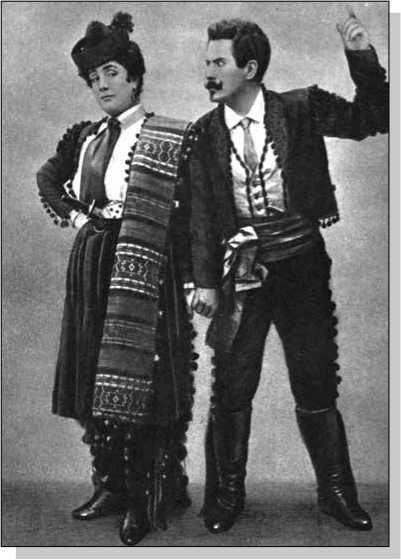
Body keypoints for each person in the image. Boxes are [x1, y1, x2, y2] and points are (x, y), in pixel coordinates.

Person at [189, 7, 388, 535]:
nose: (207, 73)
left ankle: (336, 492)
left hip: (302, 265)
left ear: (250, 69)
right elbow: (202, 215)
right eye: (206, 63)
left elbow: (373, 119)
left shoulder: (301, 109)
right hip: (241, 273)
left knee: (315, 379)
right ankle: (226, 495)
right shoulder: (202, 134)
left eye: (218, 63)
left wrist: (361, 57)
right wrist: (205, 282)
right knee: (232, 385)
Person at [36, 12, 197, 546]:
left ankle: (149, 494)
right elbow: (48, 178)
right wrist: (79, 219)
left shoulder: (168, 137)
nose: (101, 85)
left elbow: (193, 215)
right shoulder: (85, 137)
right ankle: (111, 485)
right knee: (93, 375)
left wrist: (189, 275)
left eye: (110, 73)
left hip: (148, 267)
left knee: (143, 379)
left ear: (134, 77)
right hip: (94, 262)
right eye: (93, 78)